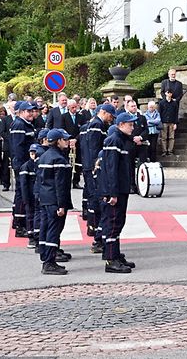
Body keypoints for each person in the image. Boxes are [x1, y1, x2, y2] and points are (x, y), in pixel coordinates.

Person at [98, 112, 140, 273]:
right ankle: (110, 260)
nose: (132, 127)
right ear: (121, 125)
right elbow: (111, 169)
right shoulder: (114, 140)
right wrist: (112, 193)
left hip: (121, 188)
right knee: (113, 224)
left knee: (118, 223)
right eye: (130, 124)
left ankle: (115, 254)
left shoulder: (121, 140)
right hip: (115, 190)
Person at [36, 131, 74, 275]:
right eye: (65, 139)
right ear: (58, 141)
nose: (67, 141)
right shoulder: (58, 159)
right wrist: (61, 205)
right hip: (54, 200)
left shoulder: (44, 156)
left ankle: (46, 257)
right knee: (54, 230)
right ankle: (49, 262)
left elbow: (39, 180)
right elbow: (60, 185)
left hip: (45, 198)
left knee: (46, 228)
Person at [79, 103, 115, 247]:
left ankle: (93, 228)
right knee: (95, 198)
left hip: (89, 165)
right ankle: (95, 230)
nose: (111, 119)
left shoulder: (94, 123)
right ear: (104, 112)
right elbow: (94, 147)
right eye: (110, 116)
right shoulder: (97, 125)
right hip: (92, 166)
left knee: (93, 197)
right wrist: (97, 164)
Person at [9, 101, 39, 243]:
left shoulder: (26, 124)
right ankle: (20, 225)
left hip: (25, 164)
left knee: (22, 193)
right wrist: (25, 166)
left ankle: (20, 222)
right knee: (23, 194)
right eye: (28, 111)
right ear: (21, 112)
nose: (31, 113)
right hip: (22, 164)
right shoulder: (19, 125)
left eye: (32, 111)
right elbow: (18, 147)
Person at [158, 90, 180, 156]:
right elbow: (160, 113)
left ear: (171, 94)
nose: (169, 94)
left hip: (172, 122)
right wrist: (160, 122)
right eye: (168, 92)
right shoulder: (161, 103)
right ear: (165, 93)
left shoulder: (174, 103)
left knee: (171, 137)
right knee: (163, 137)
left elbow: (176, 114)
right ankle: (164, 151)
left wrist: (175, 123)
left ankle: (170, 151)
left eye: (170, 93)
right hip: (164, 122)